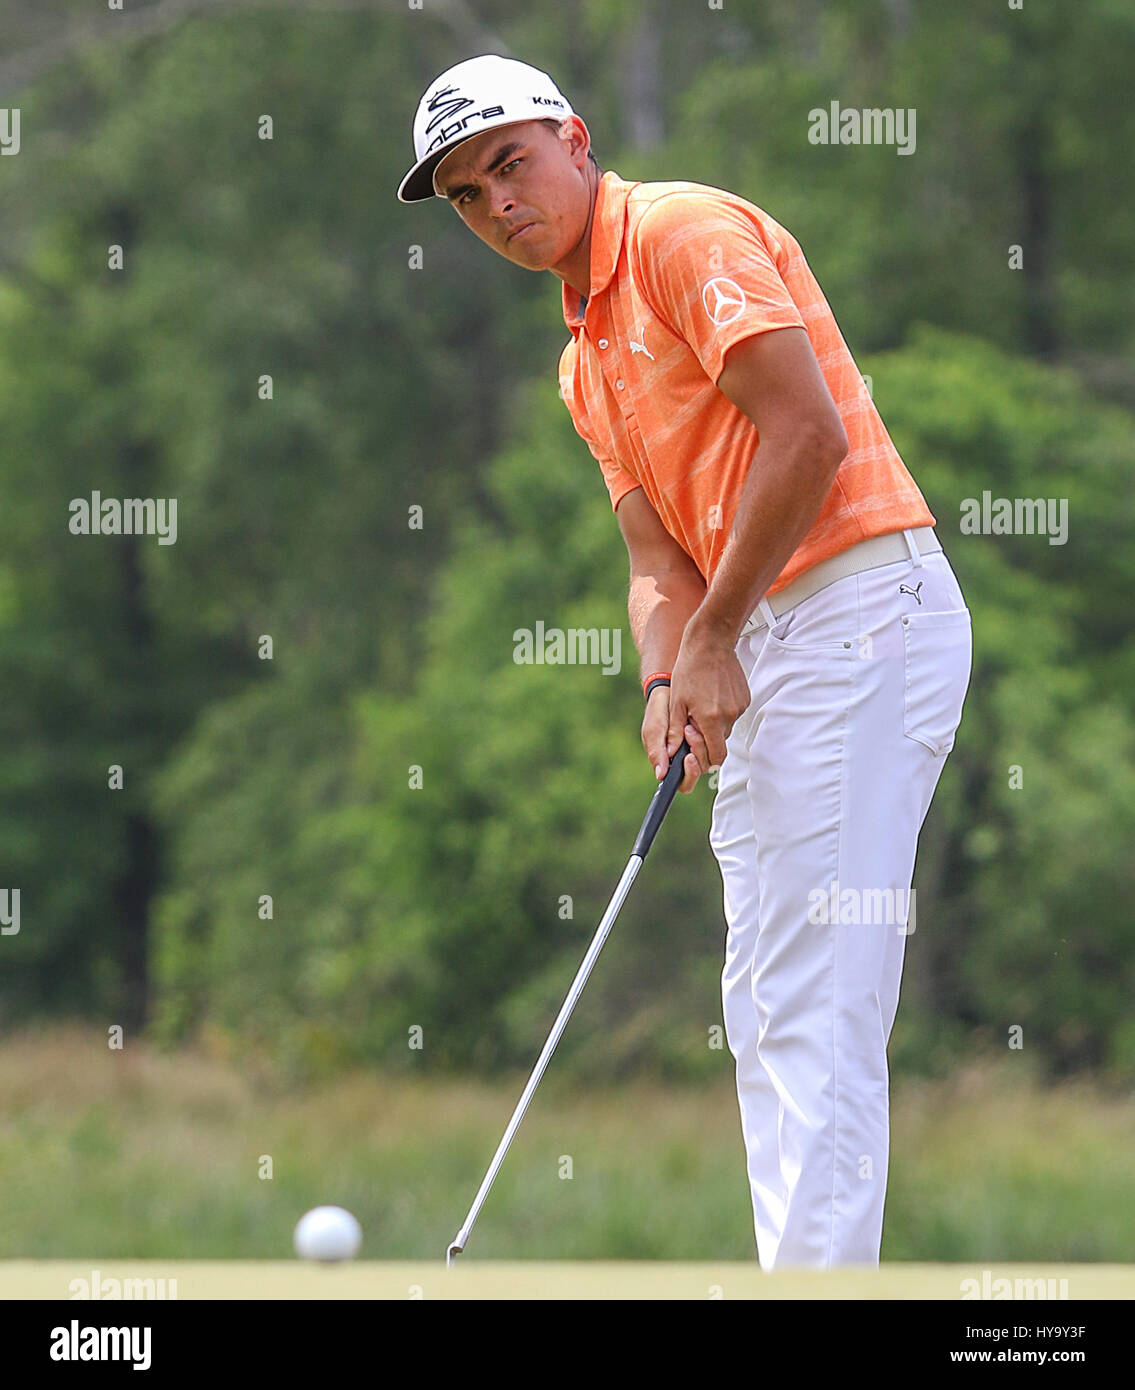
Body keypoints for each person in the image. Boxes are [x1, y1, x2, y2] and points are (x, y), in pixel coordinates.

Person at [397, 54, 972, 1269]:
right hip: (770, 635)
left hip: (862, 608)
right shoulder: (580, 359)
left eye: (509, 163)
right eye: (465, 194)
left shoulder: (677, 232)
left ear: (576, 139)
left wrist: (714, 639)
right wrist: (667, 679)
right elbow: (656, 562)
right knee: (765, 1000)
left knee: (816, 999)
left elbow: (807, 432)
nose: (497, 203)